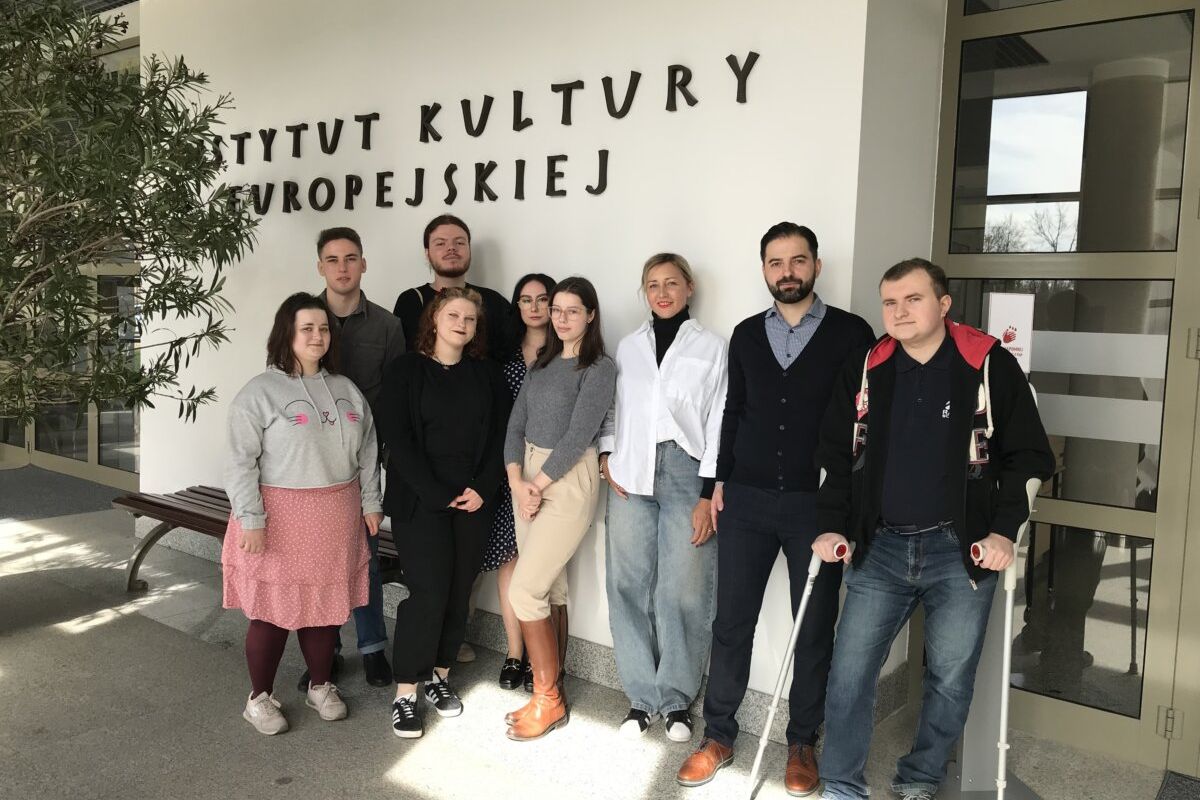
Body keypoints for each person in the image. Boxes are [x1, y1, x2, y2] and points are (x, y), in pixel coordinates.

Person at [812, 258, 1054, 800]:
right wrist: (830, 526)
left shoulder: (986, 363)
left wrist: (1003, 532)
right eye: (890, 302)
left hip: (959, 550)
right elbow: (835, 453)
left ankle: (919, 777)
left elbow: (1030, 456)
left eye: (913, 299)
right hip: (879, 548)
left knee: (949, 677)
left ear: (943, 304)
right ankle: (842, 784)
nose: (899, 311)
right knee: (850, 673)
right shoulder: (867, 366)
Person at [677, 223, 875, 794]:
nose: (787, 272)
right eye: (775, 262)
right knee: (731, 623)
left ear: (816, 265)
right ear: (764, 269)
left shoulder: (852, 333)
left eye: (797, 260)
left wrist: (849, 499)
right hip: (746, 499)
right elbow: (732, 411)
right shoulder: (745, 334)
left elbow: (864, 422)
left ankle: (802, 742)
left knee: (812, 628)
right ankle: (718, 735)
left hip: (818, 507)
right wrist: (716, 481)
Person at [222, 292, 383, 735]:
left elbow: (369, 450)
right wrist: (250, 518)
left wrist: (371, 501)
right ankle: (259, 698)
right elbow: (239, 461)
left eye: (324, 328)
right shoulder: (259, 392)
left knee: (325, 608)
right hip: (278, 518)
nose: (317, 336)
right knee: (271, 612)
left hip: (336, 514)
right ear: (287, 334)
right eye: (307, 328)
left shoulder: (346, 389)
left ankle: (320, 685)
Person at [599, 253, 726, 742]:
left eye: (671, 283)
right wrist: (607, 454)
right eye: (653, 284)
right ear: (645, 292)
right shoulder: (629, 346)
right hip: (630, 470)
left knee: (684, 589)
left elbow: (720, 418)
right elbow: (613, 407)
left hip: (686, 472)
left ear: (689, 287)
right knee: (627, 583)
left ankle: (675, 701)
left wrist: (709, 490)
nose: (662, 292)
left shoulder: (712, 346)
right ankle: (640, 698)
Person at [376, 287, 509, 739]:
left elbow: (502, 437)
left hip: (473, 501)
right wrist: (437, 494)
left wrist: (484, 489)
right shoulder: (406, 370)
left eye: (470, 319)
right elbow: (398, 439)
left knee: (457, 592)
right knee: (428, 592)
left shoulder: (486, 374)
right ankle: (406, 692)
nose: (461, 324)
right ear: (434, 319)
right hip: (420, 499)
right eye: (453, 315)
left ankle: (439, 675)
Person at [502, 276, 616, 741]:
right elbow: (515, 427)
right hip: (527, 475)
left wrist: (537, 485)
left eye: (572, 310)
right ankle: (551, 689)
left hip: (567, 478)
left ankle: (547, 699)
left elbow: (579, 436)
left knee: (525, 590)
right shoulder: (541, 364)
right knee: (550, 587)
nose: (562, 318)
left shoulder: (599, 368)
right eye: (557, 310)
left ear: (591, 315)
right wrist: (518, 482)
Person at [300, 226, 405, 690]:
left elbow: (396, 395)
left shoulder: (387, 325)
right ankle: (325, 652)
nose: (342, 268)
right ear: (320, 266)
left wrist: (385, 458)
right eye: (333, 259)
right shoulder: (301, 317)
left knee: (365, 554)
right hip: (310, 466)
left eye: (350, 258)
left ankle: (373, 648)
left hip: (364, 460)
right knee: (318, 561)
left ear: (363, 264)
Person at [484, 273, 558, 693]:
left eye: (542, 299)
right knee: (509, 559)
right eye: (525, 300)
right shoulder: (504, 358)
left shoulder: (565, 354)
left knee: (543, 566)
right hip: (509, 471)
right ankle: (515, 653)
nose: (534, 307)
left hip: (551, 473)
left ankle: (541, 659)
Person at [393, 214, 512, 363]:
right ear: (427, 253)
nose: (451, 248)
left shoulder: (494, 301)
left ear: (469, 250)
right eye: (440, 243)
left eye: (460, 242)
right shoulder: (410, 301)